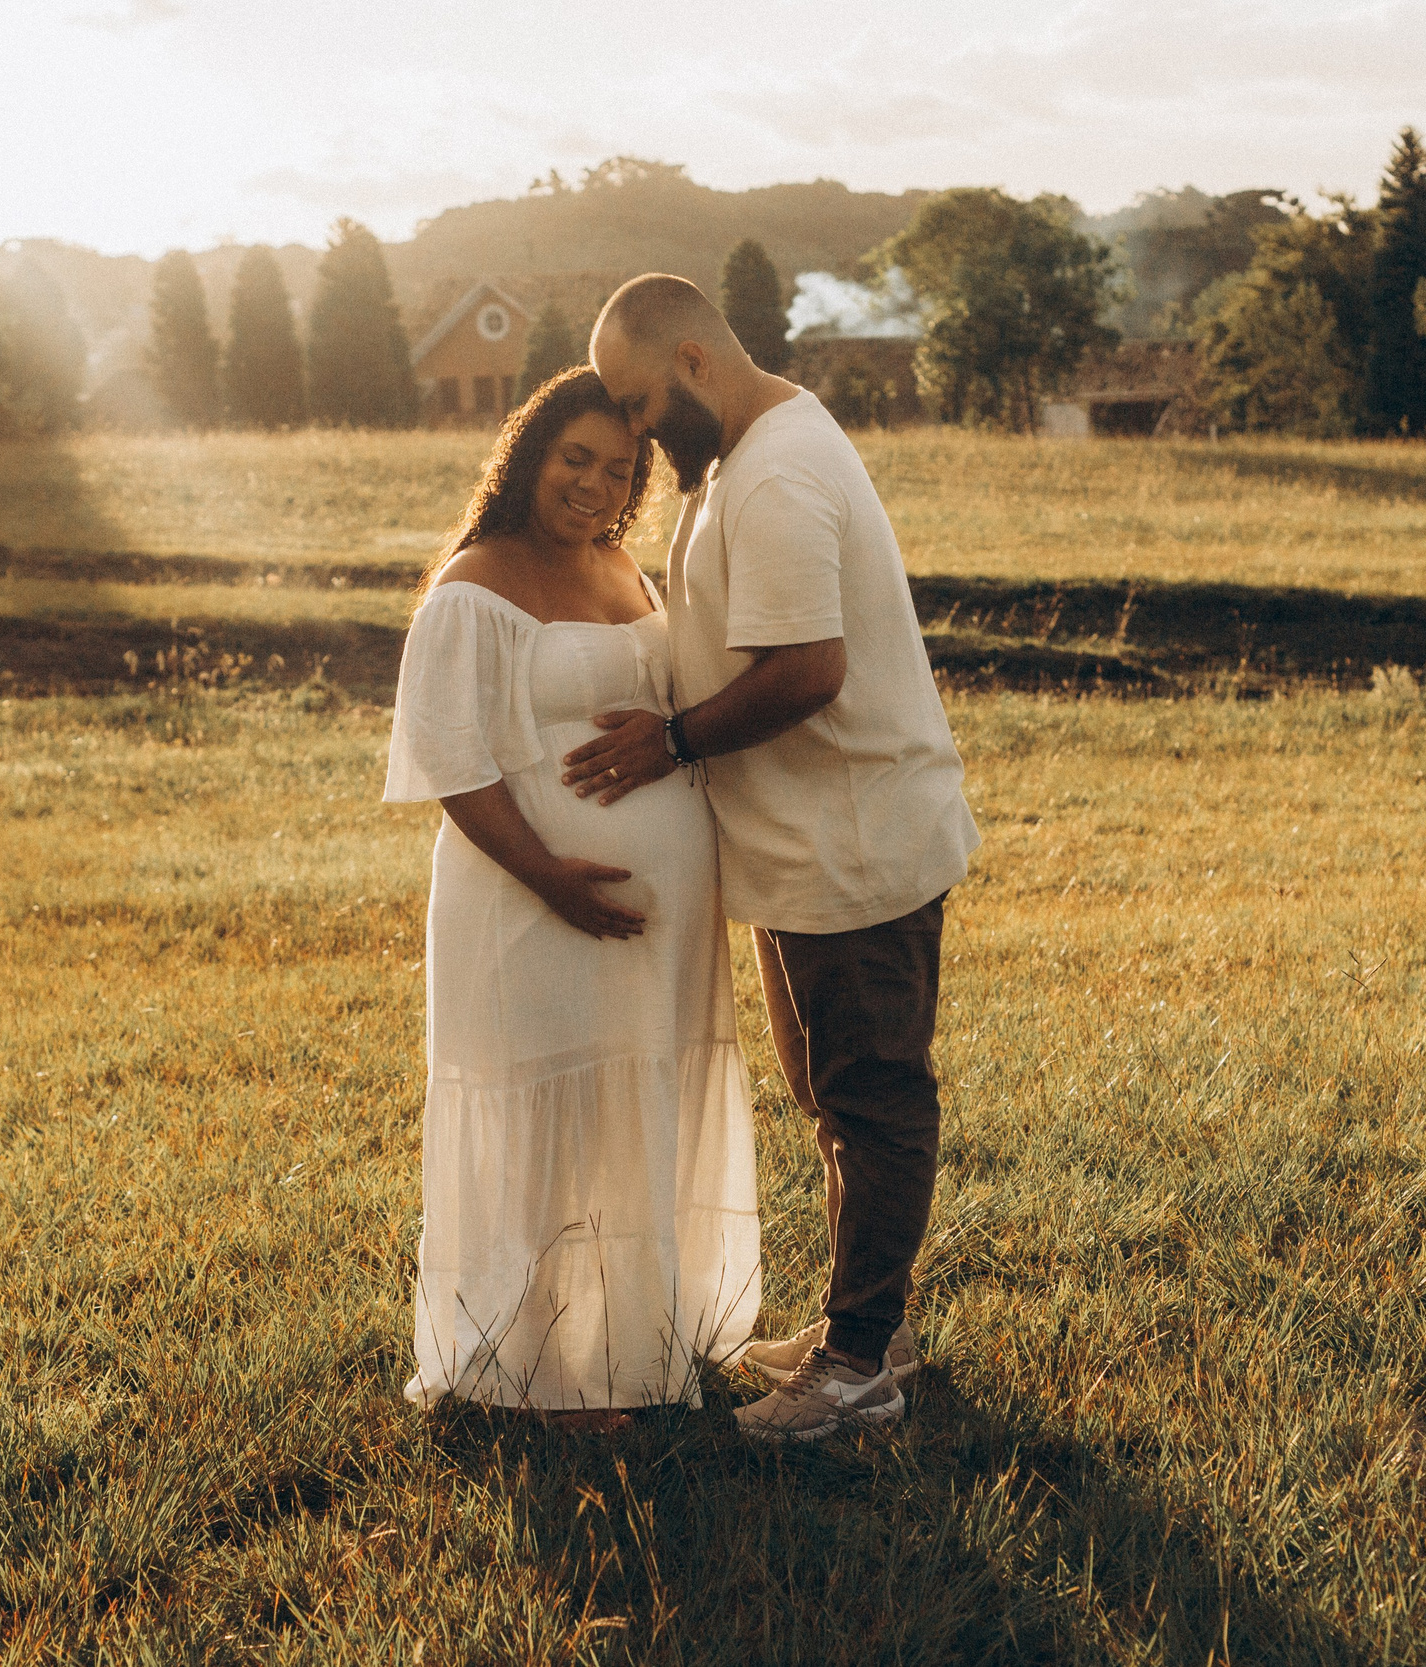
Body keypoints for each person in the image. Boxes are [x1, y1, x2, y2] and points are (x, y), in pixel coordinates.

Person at [569, 275, 980, 1443]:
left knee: (872, 1098)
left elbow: (807, 671)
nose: (637, 432)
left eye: (641, 403)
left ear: (694, 360)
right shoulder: (740, 457)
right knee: (830, 1094)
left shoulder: (780, 472)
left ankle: (858, 1373)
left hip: (853, 841)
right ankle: (872, 1324)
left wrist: (671, 742)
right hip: (802, 846)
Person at [382, 367, 760, 1430]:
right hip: (527, 904)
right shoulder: (472, 583)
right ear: (527, 458)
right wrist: (549, 875)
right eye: (575, 459)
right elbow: (450, 761)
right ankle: (537, 1373)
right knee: (544, 1120)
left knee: (632, 1118)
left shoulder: (621, 567)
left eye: (619, 468)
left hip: (658, 926)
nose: (595, 486)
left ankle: (631, 1342)